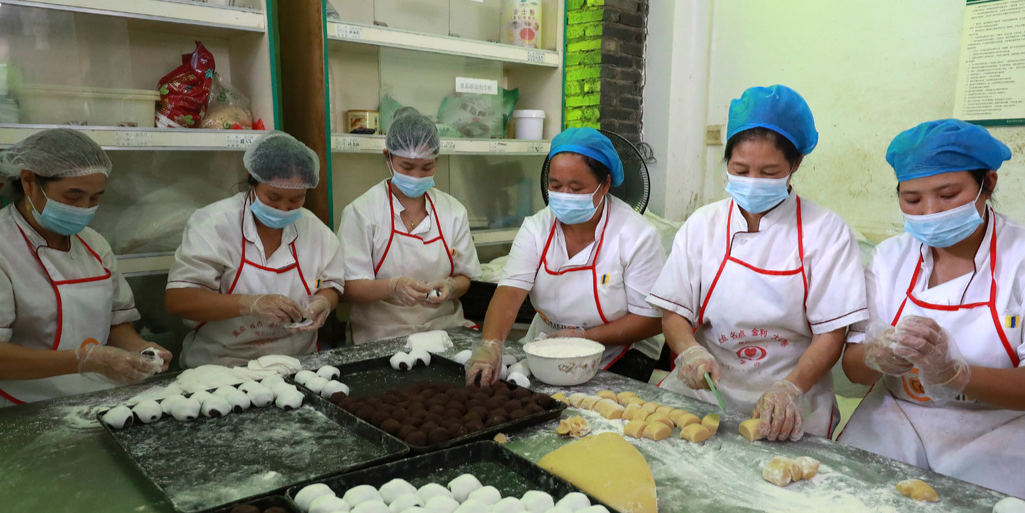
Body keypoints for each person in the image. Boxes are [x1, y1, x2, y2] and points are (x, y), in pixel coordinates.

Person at [840, 119, 1025, 504]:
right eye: (912, 200)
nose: (930, 212)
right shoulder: (891, 258)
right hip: (898, 423)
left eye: (947, 195)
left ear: (987, 183)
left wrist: (955, 375)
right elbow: (853, 369)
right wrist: (878, 355)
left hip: (1003, 433)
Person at [647, 85, 868, 441]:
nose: (753, 182)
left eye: (768, 172)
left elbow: (832, 334)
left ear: (794, 165)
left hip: (793, 397)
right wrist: (688, 350)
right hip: (703, 392)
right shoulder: (704, 224)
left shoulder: (826, 231)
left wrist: (789, 390)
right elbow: (674, 311)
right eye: (741, 169)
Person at [0, 129, 169, 410]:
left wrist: (140, 350)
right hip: (19, 405)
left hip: (94, 398)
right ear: (30, 182)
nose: (84, 208)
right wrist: (87, 359)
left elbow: (115, 322)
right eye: (73, 196)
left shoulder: (93, 244)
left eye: (94, 199)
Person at [467, 127, 665, 385]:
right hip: (549, 345)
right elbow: (509, 292)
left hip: (621, 350)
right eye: (556, 186)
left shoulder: (636, 235)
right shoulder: (537, 227)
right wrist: (491, 345)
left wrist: (585, 337)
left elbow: (651, 320)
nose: (564, 196)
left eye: (576, 187)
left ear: (604, 185)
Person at [165, 131, 345, 368]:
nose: (283, 208)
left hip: (295, 363)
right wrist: (249, 304)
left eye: (295, 200)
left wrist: (323, 303)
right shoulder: (214, 224)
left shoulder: (317, 232)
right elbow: (178, 300)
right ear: (252, 179)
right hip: (222, 366)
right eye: (273, 197)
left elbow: (329, 285)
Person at [338, 107, 480, 344]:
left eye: (427, 167)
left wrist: (450, 286)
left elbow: (465, 277)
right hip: (382, 336)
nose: (416, 176)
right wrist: (391, 287)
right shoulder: (362, 212)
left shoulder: (453, 211)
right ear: (388, 157)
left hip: (444, 332)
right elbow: (347, 288)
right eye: (406, 167)